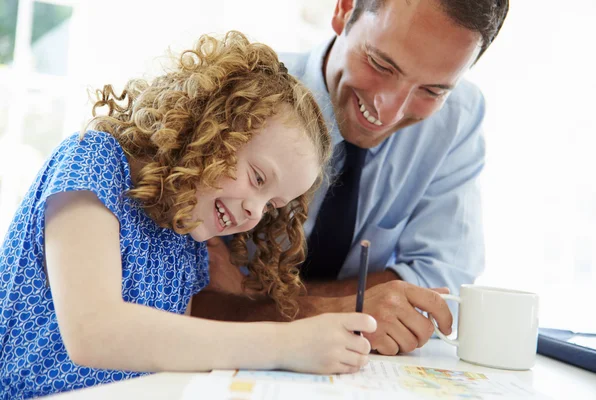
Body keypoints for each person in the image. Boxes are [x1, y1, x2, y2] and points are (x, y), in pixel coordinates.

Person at [0, 31, 377, 399]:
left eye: (271, 206)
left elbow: (169, 353)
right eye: (258, 178)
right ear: (212, 128)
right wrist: (285, 344)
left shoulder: (184, 237)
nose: (254, 212)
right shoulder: (92, 162)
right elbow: (93, 332)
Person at [192, 0, 509, 356]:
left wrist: (253, 296)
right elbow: (183, 294)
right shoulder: (239, 93)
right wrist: (338, 308)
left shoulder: (458, 120)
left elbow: (441, 285)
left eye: (432, 91)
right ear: (344, 10)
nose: (389, 110)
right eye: (380, 64)